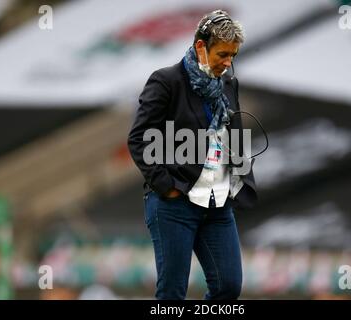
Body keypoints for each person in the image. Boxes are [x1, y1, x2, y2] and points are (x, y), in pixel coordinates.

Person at [128, 10, 257, 300]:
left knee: (228, 287)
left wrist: (239, 180)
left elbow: (234, 136)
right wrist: (167, 186)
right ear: (201, 46)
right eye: (223, 53)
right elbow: (138, 138)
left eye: (233, 55)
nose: (229, 62)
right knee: (172, 293)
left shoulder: (228, 84)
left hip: (218, 203)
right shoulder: (166, 81)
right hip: (174, 203)